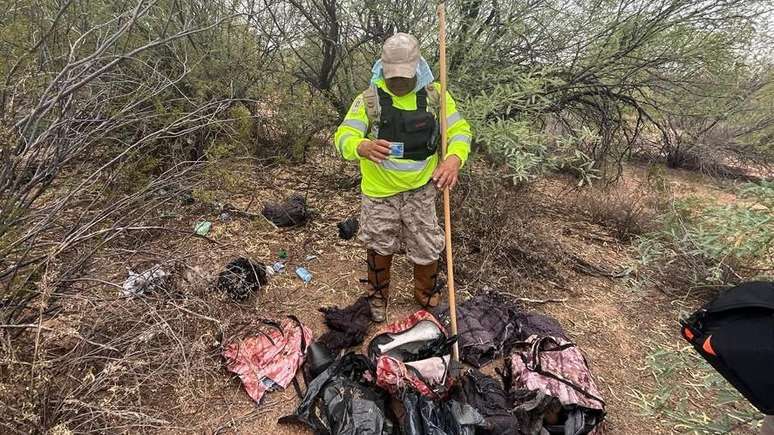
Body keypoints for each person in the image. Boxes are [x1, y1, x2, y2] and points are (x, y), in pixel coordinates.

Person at [334, 33, 472, 322]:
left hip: (422, 188)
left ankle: (426, 295)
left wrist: (454, 159)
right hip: (379, 191)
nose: (397, 83)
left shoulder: (436, 96)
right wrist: (362, 146)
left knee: (426, 245)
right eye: (392, 77)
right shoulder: (369, 100)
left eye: (404, 77)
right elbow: (343, 135)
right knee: (379, 243)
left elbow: (460, 131)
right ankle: (377, 297)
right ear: (382, 68)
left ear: (417, 67)